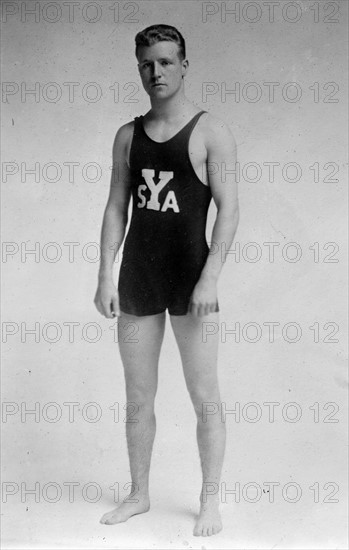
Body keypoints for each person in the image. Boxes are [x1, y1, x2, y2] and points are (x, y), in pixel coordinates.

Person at [94, 24, 239, 537]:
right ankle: (138, 494)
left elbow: (229, 211)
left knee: (205, 394)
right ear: (139, 68)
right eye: (146, 64)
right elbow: (116, 206)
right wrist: (105, 275)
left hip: (190, 280)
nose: (156, 72)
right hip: (138, 275)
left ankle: (210, 501)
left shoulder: (210, 131)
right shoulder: (127, 136)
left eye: (166, 62)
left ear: (183, 64)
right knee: (138, 395)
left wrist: (210, 278)